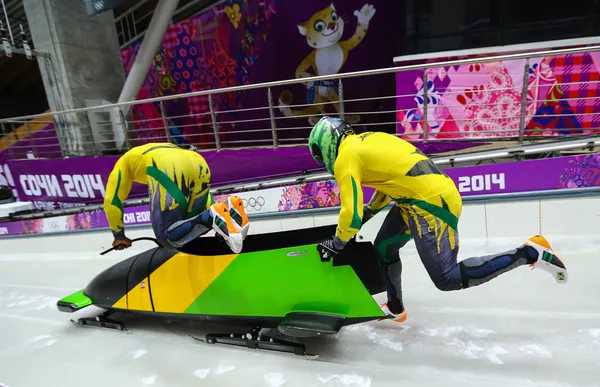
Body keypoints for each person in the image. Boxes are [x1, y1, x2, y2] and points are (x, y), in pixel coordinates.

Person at [308, 117, 568, 323]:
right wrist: (370, 213)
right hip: (420, 197)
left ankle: (530, 252)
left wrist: (337, 242)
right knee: (385, 247)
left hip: (430, 205)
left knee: (446, 278)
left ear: (327, 143)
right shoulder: (367, 141)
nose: (323, 161)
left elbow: (349, 215)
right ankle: (396, 307)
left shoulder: (345, 157)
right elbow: (390, 182)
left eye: (320, 154)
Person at [103, 142, 249, 253]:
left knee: (166, 236)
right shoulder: (155, 148)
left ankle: (212, 217)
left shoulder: (123, 163)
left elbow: (112, 200)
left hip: (165, 164)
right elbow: (207, 200)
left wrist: (119, 235)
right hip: (196, 159)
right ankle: (232, 207)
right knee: (189, 223)